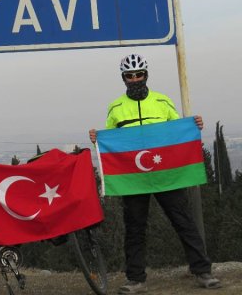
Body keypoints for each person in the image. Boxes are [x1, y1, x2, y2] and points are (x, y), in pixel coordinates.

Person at [89, 54, 221, 294]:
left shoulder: (162, 101)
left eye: (139, 74)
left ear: (146, 75)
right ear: (124, 78)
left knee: (184, 222)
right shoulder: (116, 107)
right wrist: (98, 138)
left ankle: (203, 272)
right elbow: (112, 140)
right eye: (130, 76)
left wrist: (194, 125)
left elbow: (177, 130)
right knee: (135, 228)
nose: (135, 79)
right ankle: (135, 279)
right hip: (134, 179)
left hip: (165, 175)